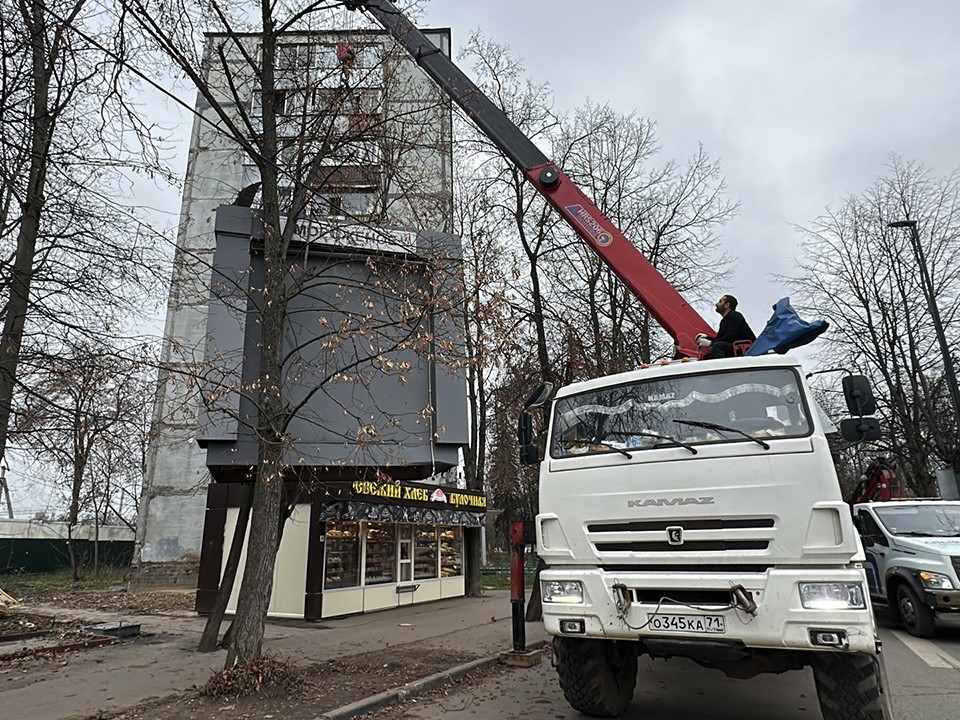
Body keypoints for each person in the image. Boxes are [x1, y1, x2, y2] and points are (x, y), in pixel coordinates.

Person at [696, 294, 756, 359]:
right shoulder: (724, 321)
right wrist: (707, 337)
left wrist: (711, 343)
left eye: (720, 302)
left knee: (718, 346)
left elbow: (730, 336)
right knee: (708, 356)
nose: (716, 304)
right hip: (735, 347)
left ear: (727, 305)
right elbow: (721, 338)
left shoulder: (734, 315)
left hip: (744, 348)